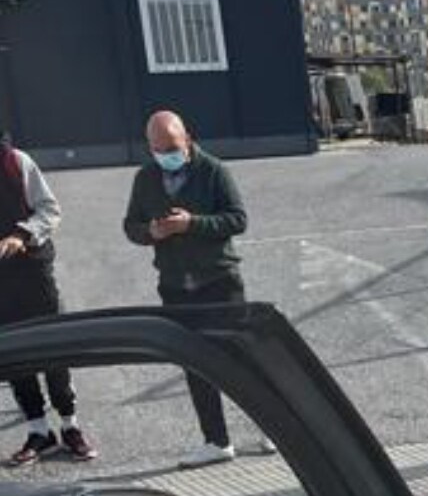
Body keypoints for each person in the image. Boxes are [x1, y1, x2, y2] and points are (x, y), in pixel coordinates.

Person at [123, 110, 250, 469]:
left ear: (188, 140)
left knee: (240, 358)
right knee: (195, 364)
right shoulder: (145, 178)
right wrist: (152, 232)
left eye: (173, 147)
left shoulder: (213, 170)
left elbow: (237, 219)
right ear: (149, 147)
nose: (167, 155)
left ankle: (271, 426)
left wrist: (191, 224)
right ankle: (216, 440)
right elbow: (130, 225)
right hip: (176, 287)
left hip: (219, 281)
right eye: (159, 149)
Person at [0, 131, 95, 466]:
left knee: (54, 347)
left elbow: (49, 209)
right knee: (13, 355)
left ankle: (70, 426)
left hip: (32, 272)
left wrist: (20, 234)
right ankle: (39, 432)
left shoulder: (15, 162)